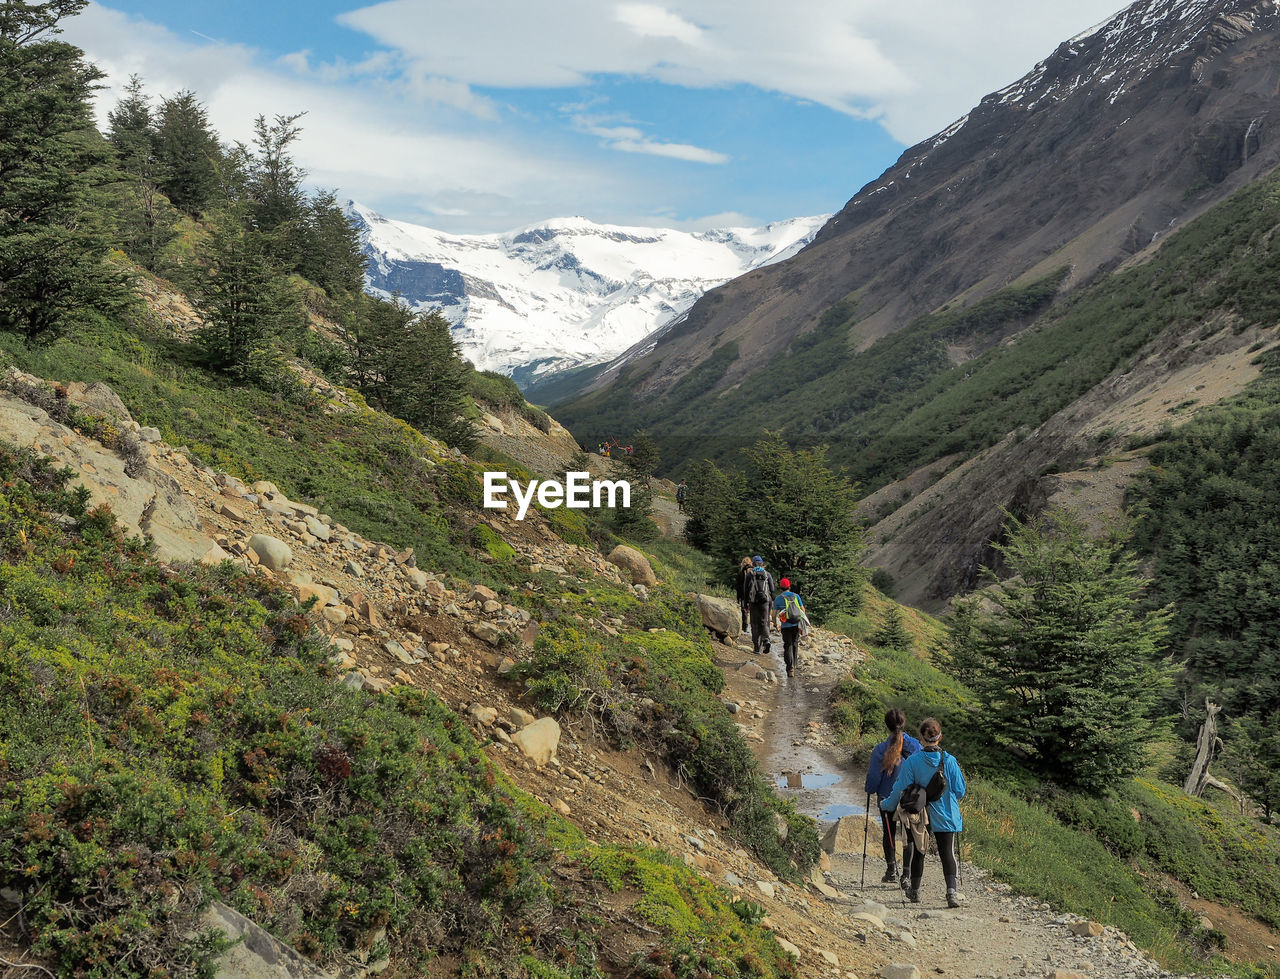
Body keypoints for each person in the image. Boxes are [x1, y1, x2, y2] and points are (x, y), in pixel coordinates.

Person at [879, 717, 967, 907]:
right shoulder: (950, 761)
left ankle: (915, 891)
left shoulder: (913, 761)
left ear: (921, 737)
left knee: (919, 851)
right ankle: (951, 892)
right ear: (939, 737)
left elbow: (900, 788)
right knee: (947, 853)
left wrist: (886, 804)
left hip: (920, 814)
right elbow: (960, 791)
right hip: (946, 813)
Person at [864, 708, 922, 887]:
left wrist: (870, 789)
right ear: (903, 724)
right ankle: (906, 874)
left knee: (889, 833)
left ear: (887, 725)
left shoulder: (881, 749)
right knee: (909, 834)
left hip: (886, 796)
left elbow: (874, 777)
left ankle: (891, 871)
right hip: (909, 797)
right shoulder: (915, 746)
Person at [770, 577, 807, 676]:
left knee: (787, 645)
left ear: (780, 587)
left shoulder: (778, 598)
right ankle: (794, 666)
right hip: (796, 624)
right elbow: (803, 610)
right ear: (789, 587)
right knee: (795, 643)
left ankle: (789, 668)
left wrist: (775, 624)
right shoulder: (796, 596)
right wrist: (800, 620)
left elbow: (773, 614)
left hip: (785, 626)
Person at [743, 555, 775, 656]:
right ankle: (766, 640)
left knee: (754, 624)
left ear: (752, 564)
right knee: (764, 622)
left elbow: (745, 590)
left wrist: (745, 602)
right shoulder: (767, 574)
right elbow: (772, 589)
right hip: (765, 602)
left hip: (753, 602)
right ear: (762, 563)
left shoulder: (750, 574)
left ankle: (756, 647)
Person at [734, 556, 753, 632]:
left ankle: (744, 627)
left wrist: (738, 598)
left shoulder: (740, 573)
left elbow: (738, 587)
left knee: (744, 610)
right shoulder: (753, 573)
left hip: (743, 595)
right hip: (752, 595)